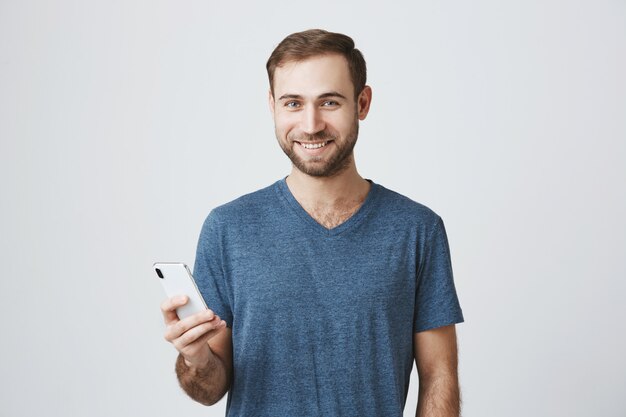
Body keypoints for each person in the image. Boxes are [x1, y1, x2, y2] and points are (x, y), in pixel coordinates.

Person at [161, 29, 464, 417]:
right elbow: (209, 390)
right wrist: (196, 358)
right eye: (292, 103)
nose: (311, 124)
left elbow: (440, 377)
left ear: (362, 102)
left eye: (330, 102)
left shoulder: (417, 229)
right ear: (272, 106)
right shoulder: (228, 229)